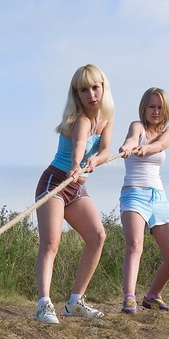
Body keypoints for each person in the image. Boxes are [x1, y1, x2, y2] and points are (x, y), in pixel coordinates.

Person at [33, 64, 114, 324]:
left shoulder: (107, 119)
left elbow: (104, 150)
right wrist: (78, 163)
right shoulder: (80, 120)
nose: (91, 94)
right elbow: (79, 145)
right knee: (51, 243)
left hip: (77, 188)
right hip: (55, 183)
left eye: (95, 87)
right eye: (83, 90)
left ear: (103, 88)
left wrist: (96, 162)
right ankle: (43, 304)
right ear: (76, 95)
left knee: (97, 236)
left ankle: (75, 302)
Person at [117, 87, 169, 314]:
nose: (156, 111)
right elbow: (131, 139)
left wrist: (146, 148)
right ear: (144, 108)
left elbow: (162, 145)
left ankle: (152, 296)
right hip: (134, 193)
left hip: (159, 196)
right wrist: (127, 147)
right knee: (135, 245)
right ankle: (129, 299)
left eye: (160, 108)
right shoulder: (137, 126)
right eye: (152, 107)